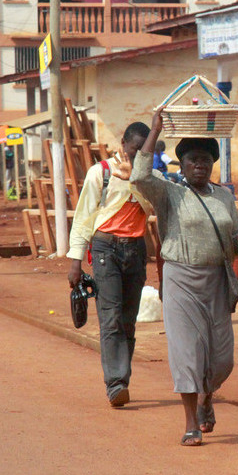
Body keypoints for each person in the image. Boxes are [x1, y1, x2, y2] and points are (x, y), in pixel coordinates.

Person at [124, 107, 238, 447]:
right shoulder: (169, 192)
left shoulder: (224, 196)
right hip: (181, 279)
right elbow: (139, 176)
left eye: (205, 160)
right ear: (181, 164)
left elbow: (236, 241)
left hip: (216, 281)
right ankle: (190, 423)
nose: (199, 165)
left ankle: (208, 395)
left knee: (221, 359)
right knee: (186, 353)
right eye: (193, 160)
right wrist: (154, 130)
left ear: (213, 165)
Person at [67, 121, 160, 408]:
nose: (137, 158)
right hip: (106, 249)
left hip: (136, 250)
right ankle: (116, 383)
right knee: (111, 317)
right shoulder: (101, 173)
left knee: (128, 321)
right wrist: (75, 260)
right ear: (123, 144)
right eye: (134, 151)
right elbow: (84, 217)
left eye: (144, 153)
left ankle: (122, 380)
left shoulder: (152, 177)